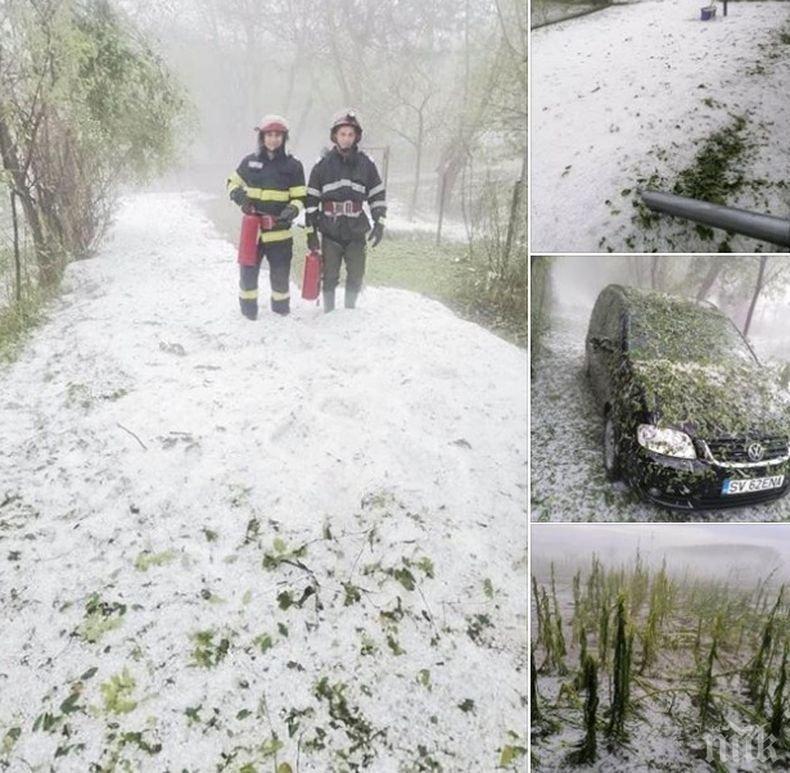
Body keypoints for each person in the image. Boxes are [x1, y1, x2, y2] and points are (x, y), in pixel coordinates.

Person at [305, 110, 387, 312]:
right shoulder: (322, 165)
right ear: (335, 136)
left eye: (351, 135)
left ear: (356, 137)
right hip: (330, 229)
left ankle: (350, 311)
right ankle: (329, 312)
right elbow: (312, 200)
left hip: (356, 229)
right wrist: (310, 233)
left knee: (356, 274)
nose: (346, 139)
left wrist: (379, 222)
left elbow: (377, 194)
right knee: (330, 275)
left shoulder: (366, 164)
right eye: (343, 134)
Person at [226, 115, 306, 318]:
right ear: (262, 137)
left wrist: (292, 210)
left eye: (278, 135)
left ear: (284, 138)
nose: (273, 139)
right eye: (269, 135)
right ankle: (248, 314)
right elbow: (232, 182)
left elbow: (300, 197)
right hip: (252, 231)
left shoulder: (293, 166)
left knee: (280, 278)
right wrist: (237, 195)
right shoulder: (249, 161)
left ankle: (280, 314)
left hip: (280, 233)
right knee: (247, 275)